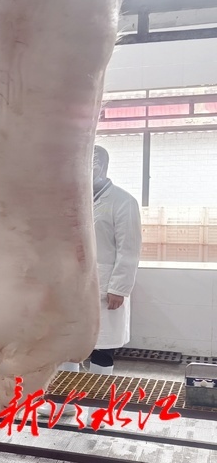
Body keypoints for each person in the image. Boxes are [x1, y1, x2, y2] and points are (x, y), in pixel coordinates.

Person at [88, 145, 142, 375]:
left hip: (105, 285)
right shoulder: (73, 200)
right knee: (68, 344)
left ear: (104, 167)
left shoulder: (123, 201)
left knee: (102, 346)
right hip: (72, 286)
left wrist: (119, 288)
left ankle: (96, 398)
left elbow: (129, 249)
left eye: (92, 164)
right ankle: (65, 398)